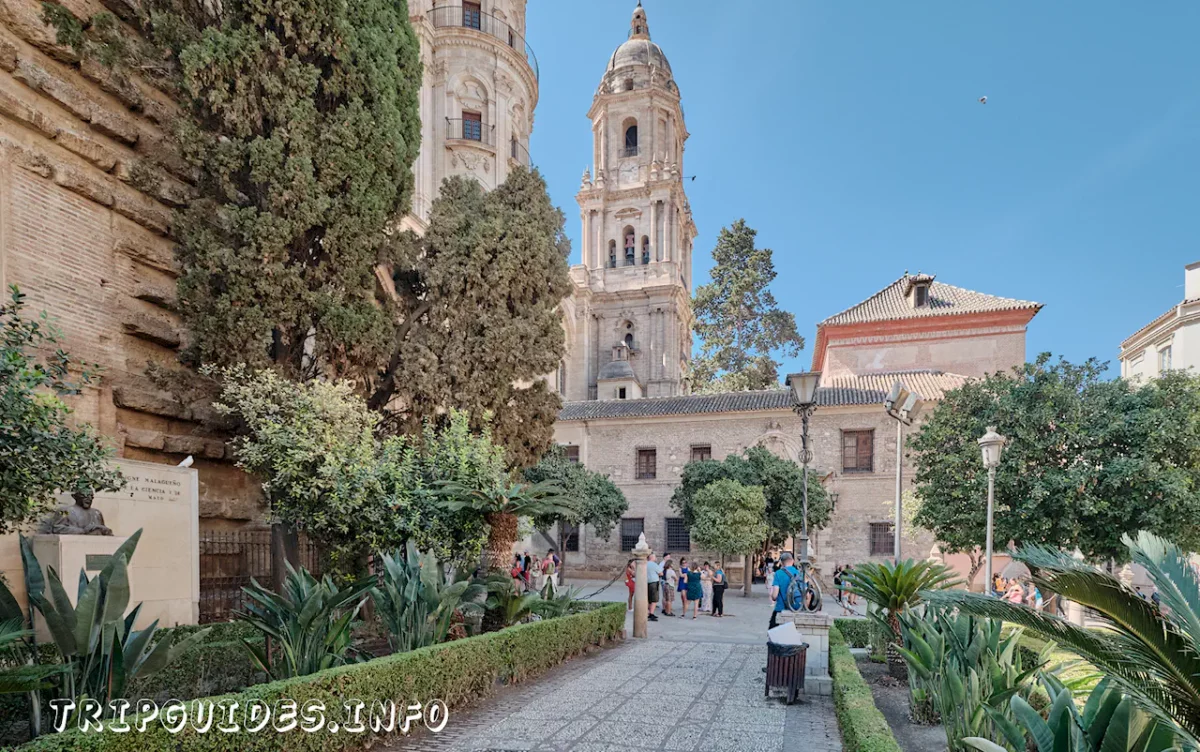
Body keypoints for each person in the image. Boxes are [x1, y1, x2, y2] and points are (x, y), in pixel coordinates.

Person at [769, 552, 800, 629]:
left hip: (781, 608)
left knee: (773, 633)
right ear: (792, 561)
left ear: (782, 563)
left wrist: (772, 596)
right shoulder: (799, 573)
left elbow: (774, 596)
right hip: (796, 608)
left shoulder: (778, 573)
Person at [646, 552, 663, 621]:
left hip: (646, 582)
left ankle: (647, 612)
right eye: (655, 557)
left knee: (648, 598)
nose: (656, 558)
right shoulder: (654, 564)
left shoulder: (645, 564)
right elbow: (661, 573)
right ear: (652, 557)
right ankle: (651, 613)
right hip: (653, 582)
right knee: (654, 599)